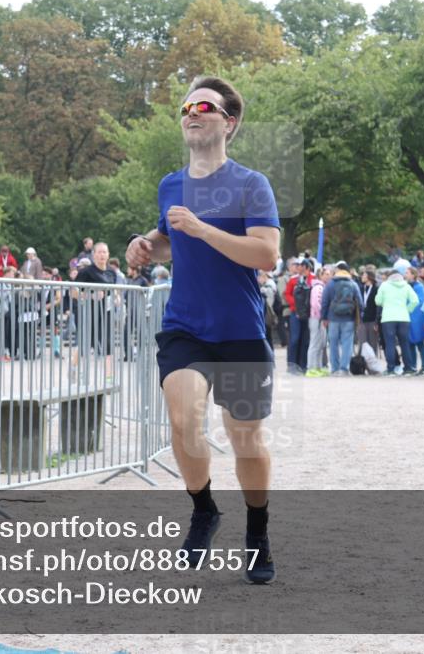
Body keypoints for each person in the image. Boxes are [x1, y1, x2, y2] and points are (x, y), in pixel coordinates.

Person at [124, 75, 280, 584]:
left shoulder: (250, 184)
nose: (191, 112)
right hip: (185, 327)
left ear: (227, 122)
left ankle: (257, 530)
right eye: (186, 106)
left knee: (246, 440)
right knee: (184, 419)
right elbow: (171, 238)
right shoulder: (171, 183)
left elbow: (266, 254)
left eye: (204, 106)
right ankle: (204, 510)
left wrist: (202, 227)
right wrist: (144, 246)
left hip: (239, 330)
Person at [74, 242, 117, 380]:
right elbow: (72, 291)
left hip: (107, 311)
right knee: (85, 343)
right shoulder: (85, 272)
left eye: (104, 252)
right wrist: (90, 295)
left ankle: (109, 378)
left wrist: (116, 296)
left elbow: (113, 289)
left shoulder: (111, 272)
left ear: (108, 254)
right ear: (93, 255)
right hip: (90, 313)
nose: (102, 255)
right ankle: (74, 368)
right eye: (99, 252)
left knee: (108, 344)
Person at [375, 263, 419, 376]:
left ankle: (391, 369)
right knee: (405, 344)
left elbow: (378, 301)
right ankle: (408, 368)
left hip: (388, 318)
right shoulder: (406, 286)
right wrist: (407, 310)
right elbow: (415, 301)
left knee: (390, 344)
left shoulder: (384, 286)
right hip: (404, 318)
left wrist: (386, 302)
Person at [321, 261, 363, 376]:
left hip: (333, 319)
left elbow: (324, 302)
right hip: (349, 319)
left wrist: (324, 317)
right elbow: (360, 302)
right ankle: (344, 369)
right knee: (347, 344)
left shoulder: (330, 284)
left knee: (333, 344)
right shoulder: (353, 284)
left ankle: (334, 368)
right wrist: (360, 317)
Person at [284, 258, 314, 375]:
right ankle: (292, 364)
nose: (298, 267)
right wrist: (296, 305)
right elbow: (287, 294)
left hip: (308, 313)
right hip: (295, 312)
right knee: (294, 339)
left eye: (301, 265)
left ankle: (303, 364)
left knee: (305, 339)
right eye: (297, 265)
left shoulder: (313, 279)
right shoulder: (293, 280)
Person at [306, 265, 331, 376]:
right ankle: (311, 368)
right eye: (326, 274)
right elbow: (316, 304)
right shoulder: (318, 287)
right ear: (320, 275)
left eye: (329, 274)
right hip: (317, 318)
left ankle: (318, 366)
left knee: (321, 344)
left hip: (321, 319)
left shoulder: (323, 286)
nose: (328, 276)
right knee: (314, 344)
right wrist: (323, 315)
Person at [404, 267, 424, 375]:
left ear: (413, 275)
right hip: (409, 317)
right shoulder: (407, 286)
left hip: (417, 318)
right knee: (410, 343)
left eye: (407, 273)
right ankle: (413, 366)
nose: (405, 274)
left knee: (419, 343)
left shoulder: (419, 287)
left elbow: (420, 302)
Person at [358, 268, 381, 359]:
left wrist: (377, 321)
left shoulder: (376, 289)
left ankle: (373, 365)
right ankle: (361, 365)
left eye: (364, 275)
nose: (362, 277)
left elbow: (378, 307)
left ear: (369, 277)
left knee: (372, 344)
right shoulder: (360, 288)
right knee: (362, 343)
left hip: (372, 320)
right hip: (362, 320)